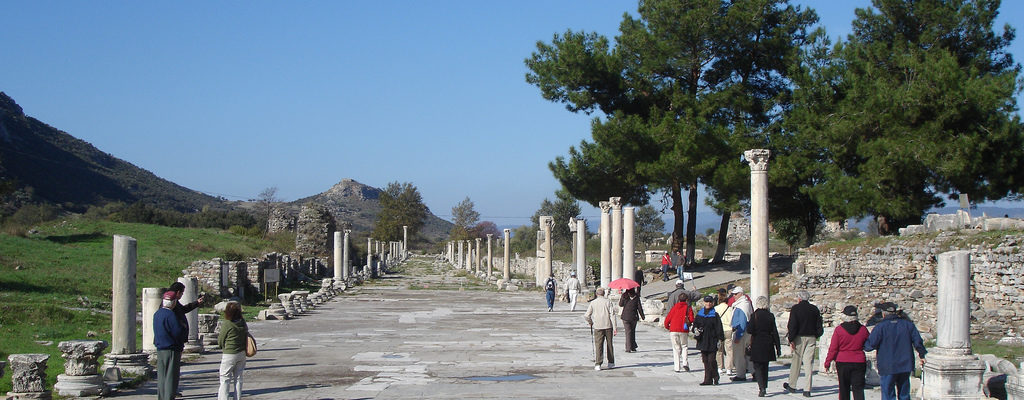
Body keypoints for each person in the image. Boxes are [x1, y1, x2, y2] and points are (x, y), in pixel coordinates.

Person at [864, 302, 927, 400]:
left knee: (888, 394)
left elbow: (869, 346)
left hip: (887, 365)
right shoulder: (908, 325)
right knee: (904, 393)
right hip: (905, 364)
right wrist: (922, 355)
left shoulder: (880, 327)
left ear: (883, 314)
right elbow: (918, 342)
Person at [824, 305, 870, 400]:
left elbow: (833, 348)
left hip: (843, 361)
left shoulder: (839, 330)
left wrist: (827, 362)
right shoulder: (863, 329)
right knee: (858, 389)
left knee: (844, 388)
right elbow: (869, 343)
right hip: (859, 360)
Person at [785, 291, 824, 397]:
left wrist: (791, 339)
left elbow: (792, 325)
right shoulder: (814, 309)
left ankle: (792, 385)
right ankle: (807, 389)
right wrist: (816, 335)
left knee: (796, 361)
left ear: (799, 299)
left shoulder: (796, 309)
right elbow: (819, 325)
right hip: (811, 337)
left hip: (799, 338)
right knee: (808, 363)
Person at [154, 290, 187, 400]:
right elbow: (177, 332)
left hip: (160, 348)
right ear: (173, 302)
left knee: (162, 376)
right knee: (171, 376)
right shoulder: (171, 315)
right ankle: (168, 397)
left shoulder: (157, 314)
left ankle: (161, 397)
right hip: (171, 348)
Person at [747, 296, 782, 398]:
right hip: (768, 343)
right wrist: (778, 348)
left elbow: (750, 330)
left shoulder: (755, 315)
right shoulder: (770, 315)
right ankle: (765, 386)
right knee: (765, 367)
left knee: (757, 367)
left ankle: (761, 387)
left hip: (757, 343)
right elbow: (774, 332)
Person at [217, 302, 248, 400]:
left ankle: (223, 398)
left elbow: (221, 339)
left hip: (229, 353)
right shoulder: (242, 322)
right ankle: (237, 398)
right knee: (238, 378)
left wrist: (222, 346)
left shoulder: (227, 323)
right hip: (241, 353)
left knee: (225, 378)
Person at [694, 295, 725, 385]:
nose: (708, 304)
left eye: (710, 302)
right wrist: (696, 330)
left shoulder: (715, 315)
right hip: (702, 340)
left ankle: (715, 376)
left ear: (713, 303)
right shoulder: (700, 314)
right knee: (705, 360)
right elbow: (695, 325)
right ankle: (707, 379)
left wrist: (720, 339)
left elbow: (719, 327)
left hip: (712, 340)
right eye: (707, 302)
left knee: (711, 360)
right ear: (704, 303)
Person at [584, 287, 617, 370]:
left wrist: (590, 322)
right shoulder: (608, 302)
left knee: (598, 345)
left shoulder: (593, 303)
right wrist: (615, 327)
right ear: (604, 294)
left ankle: (598, 363)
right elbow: (612, 314)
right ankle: (611, 362)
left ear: (596, 294)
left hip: (597, 326)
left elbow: (586, 315)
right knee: (610, 345)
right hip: (608, 325)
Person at [663, 292, 695, 372]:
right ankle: (685, 362)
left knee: (676, 348)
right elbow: (691, 319)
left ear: (678, 299)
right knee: (684, 346)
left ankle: (677, 367)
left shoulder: (675, 307)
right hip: (683, 329)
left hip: (673, 329)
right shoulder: (688, 308)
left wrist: (668, 327)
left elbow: (667, 319)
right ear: (686, 299)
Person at [729, 286, 753, 382]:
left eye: (735, 294)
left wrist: (738, 335)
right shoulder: (745, 303)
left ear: (741, 294)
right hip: (745, 331)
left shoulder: (742, 305)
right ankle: (753, 371)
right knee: (747, 354)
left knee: (739, 355)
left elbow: (742, 321)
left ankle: (740, 374)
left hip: (741, 331)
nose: (734, 296)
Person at [714, 288, 734, 376]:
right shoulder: (730, 309)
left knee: (719, 350)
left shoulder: (716, 309)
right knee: (729, 350)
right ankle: (729, 368)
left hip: (719, 330)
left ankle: (719, 367)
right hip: (728, 329)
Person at [619, 287, 645, 353]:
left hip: (625, 316)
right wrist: (642, 316)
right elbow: (639, 307)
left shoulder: (624, 295)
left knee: (628, 332)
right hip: (633, 316)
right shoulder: (636, 296)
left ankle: (628, 348)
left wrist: (622, 297)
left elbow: (620, 304)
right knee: (632, 331)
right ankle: (633, 347)